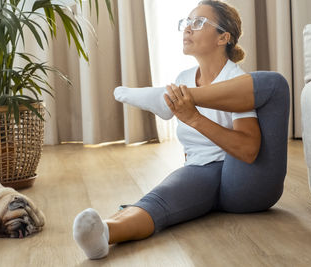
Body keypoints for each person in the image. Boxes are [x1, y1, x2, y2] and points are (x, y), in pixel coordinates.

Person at [72, 0, 289, 260]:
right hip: (203, 171)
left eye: (198, 23)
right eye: (186, 22)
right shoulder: (185, 77)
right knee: (163, 197)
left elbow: (248, 150)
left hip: (242, 180)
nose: (187, 28)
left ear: (224, 37)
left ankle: (165, 100)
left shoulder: (236, 82)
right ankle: (105, 233)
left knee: (273, 84)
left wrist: (194, 117)